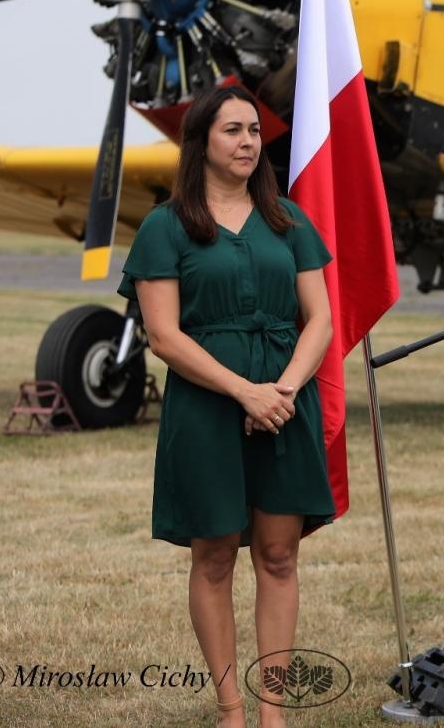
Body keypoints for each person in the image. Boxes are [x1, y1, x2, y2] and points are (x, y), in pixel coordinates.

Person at [120, 85, 335, 727]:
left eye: (254, 131)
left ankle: (273, 712)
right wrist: (244, 391)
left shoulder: (288, 221)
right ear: (201, 141)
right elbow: (163, 337)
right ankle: (231, 710)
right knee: (213, 556)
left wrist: (282, 392)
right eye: (232, 130)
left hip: (285, 405)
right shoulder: (165, 227)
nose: (247, 142)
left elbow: (320, 320)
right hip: (207, 409)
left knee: (279, 555)